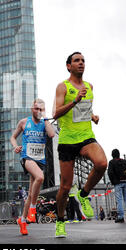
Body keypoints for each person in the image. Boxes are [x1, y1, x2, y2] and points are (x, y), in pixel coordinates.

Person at [52, 52, 108, 237]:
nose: (81, 63)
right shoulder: (63, 87)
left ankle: (83, 195)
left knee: (101, 163)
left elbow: (86, 108)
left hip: (86, 137)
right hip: (67, 140)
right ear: (68, 66)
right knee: (65, 188)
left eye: (83, 60)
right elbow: (55, 113)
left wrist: (93, 116)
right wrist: (74, 100)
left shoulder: (90, 87)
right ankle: (60, 220)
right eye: (77, 60)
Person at [10, 98, 55, 235]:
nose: (38, 111)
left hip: (39, 160)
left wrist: (45, 117)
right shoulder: (24, 122)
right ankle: (33, 210)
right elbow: (12, 137)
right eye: (36, 108)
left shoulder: (44, 123)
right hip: (27, 157)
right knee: (40, 177)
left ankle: (22, 220)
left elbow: (52, 134)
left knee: (31, 194)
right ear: (32, 109)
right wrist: (15, 146)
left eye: (41, 109)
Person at [107, 149, 126, 223]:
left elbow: (110, 173)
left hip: (118, 183)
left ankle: (121, 217)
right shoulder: (125, 161)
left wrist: (113, 181)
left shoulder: (112, 162)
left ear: (112, 155)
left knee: (119, 200)